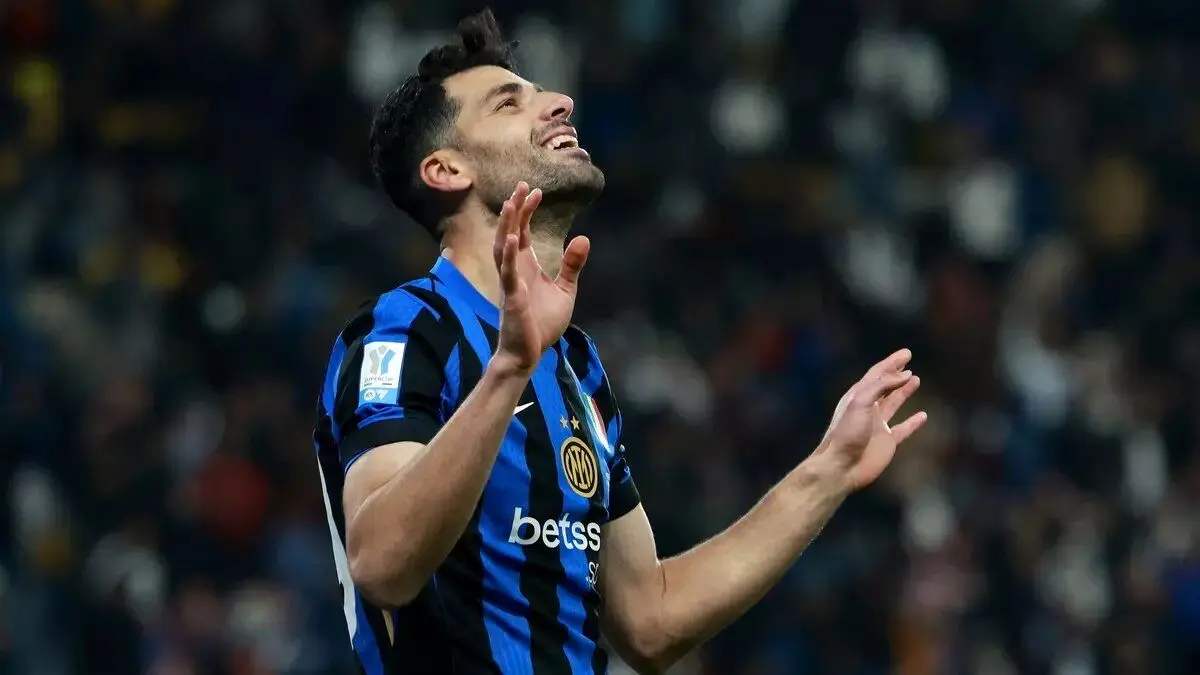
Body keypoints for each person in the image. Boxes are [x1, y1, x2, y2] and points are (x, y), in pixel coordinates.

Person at [312, 9, 928, 675]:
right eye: (508, 102)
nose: (559, 101)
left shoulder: (575, 367)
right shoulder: (406, 329)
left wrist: (828, 470)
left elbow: (651, 619)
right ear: (445, 169)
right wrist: (510, 368)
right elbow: (382, 562)